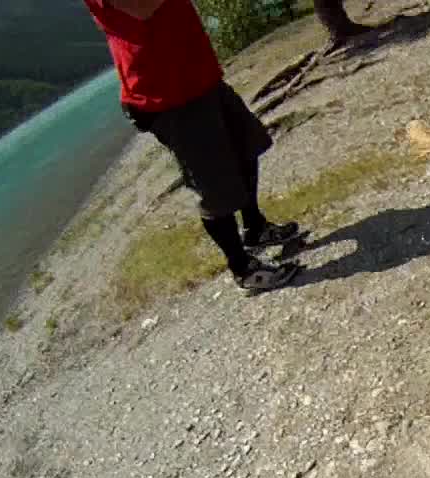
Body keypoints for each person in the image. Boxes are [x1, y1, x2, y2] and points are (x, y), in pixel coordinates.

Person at [84, 0, 302, 293]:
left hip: (200, 76)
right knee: (214, 185)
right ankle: (243, 269)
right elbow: (141, 8)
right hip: (168, 96)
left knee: (246, 148)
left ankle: (256, 228)